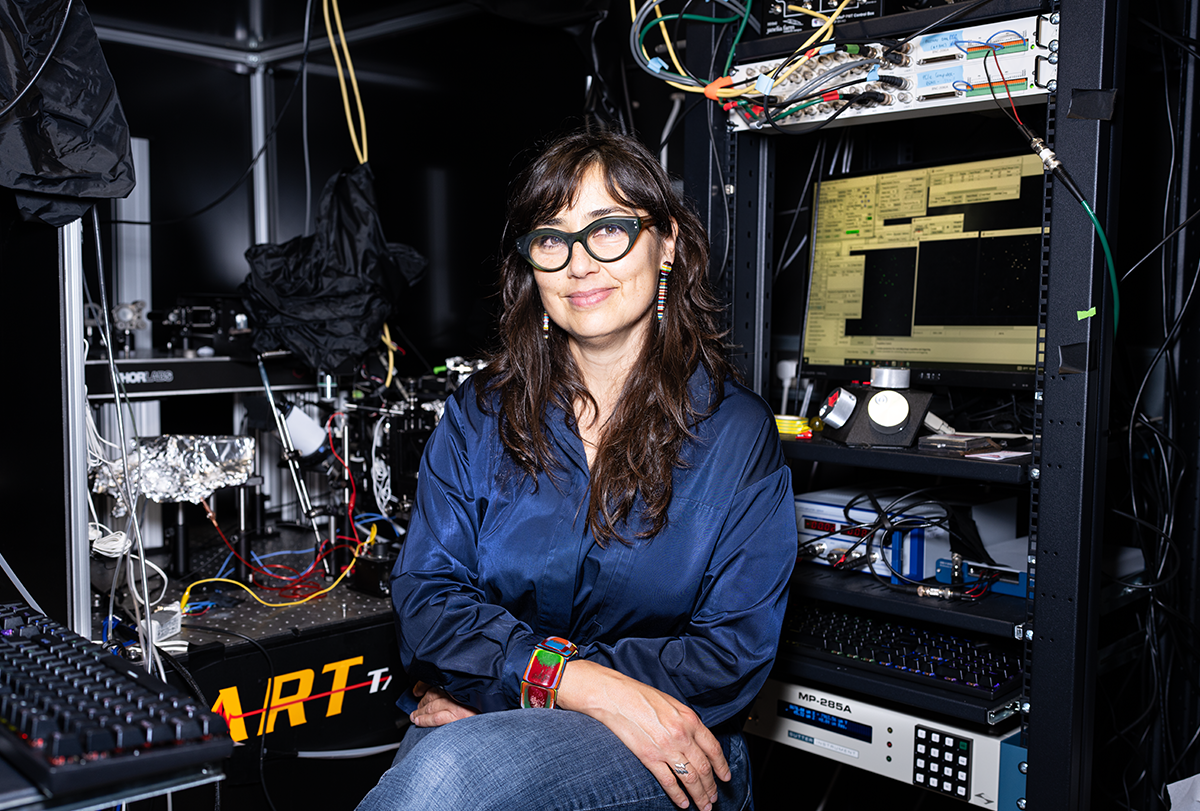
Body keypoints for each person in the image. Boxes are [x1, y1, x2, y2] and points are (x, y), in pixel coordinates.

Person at [356, 128, 796, 811]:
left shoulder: (736, 435)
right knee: (438, 774)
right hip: (487, 713)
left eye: (609, 229)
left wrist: (523, 681)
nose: (580, 263)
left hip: (668, 736)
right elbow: (428, 601)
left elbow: (728, 656)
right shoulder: (479, 416)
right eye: (552, 239)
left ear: (669, 242)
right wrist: (566, 685)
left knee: (446, 780)